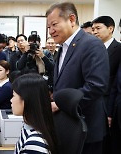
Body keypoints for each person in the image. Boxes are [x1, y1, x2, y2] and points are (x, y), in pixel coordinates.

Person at [46, 2, 109, 154]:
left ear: (72, 19)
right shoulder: (63, 48)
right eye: (49, 27)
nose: (51, 31)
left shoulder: (91, 44)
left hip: (86, 129)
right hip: (69, 127)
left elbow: (96, 86)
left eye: (54, 25)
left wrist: (60, 104)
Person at [92, 16, 121, 154]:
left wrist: (110, 111)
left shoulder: (119, 49)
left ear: (110, 29)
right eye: (93, 29)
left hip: (110, 103)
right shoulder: (93, 49)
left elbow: (116, 83)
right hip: (93, 102)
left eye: (98, 28)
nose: (95, 32)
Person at [11, 73, 58, 154]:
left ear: (26, 100)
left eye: (13, 96)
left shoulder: (34, 145)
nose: (11, 100)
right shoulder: (29, 127)